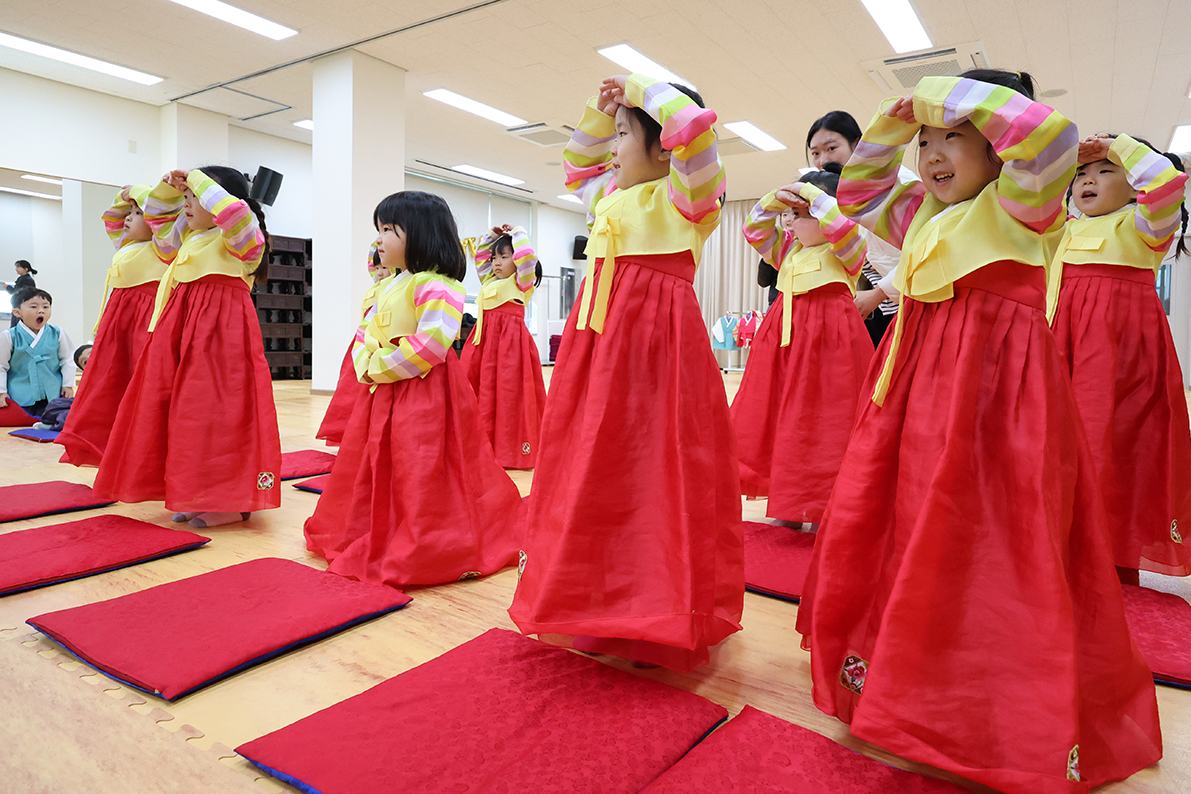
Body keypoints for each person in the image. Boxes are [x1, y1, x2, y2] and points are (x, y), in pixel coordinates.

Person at [796, 70, 1161, 793]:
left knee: (987, 531)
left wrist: (946, 96)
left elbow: (1050, 139)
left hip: (995, 396)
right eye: (925, 141)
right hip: (917, 387)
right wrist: (896, 118)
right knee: (906, 516)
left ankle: (982, 700)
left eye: (954, 136)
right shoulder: (921, 214)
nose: (933, 153)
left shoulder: (1022, 203)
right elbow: (858, 191)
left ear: (996, 145)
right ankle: (904, 681)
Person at [508, 74, 744, 672]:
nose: (611, 147)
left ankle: (654, 608)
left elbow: (696, 135)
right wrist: (604, 110)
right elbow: (575, 166)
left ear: (663, 146)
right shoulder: (609, 197)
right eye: (612, 135)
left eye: (622, 135)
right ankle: (591, 597)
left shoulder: (688, 199)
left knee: (654, 466)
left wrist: (644, 89)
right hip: (597, 352)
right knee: (593, 462)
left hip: (653, 354)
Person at [304, 191, 523, 587]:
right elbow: (365, 331)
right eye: (379, 229)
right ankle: (382, 523)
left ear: (421, 234)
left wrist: (380, 367)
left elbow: (434, 342)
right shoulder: (388, 284)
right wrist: (365, 364)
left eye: (389, 229)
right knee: (380, 457)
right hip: (384, 391)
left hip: (425, 393)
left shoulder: (438, 285)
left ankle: (426, 531)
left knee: (420, 459)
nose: (379, 239)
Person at [93, 167, 281, 530]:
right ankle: (197, 493)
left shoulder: (243, 238)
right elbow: (158, 217)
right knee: (187, 415)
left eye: (195, 197)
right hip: (184, 334)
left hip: (221, 340)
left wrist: (198, 179)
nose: (188, 203)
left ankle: (231, 500)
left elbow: (234, 212)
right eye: (188, 197)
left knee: (220, 414)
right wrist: (169, 188)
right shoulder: (186, 239)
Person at [1049, 132, 1191, 582]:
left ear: (1134, 186)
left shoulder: (1144, 227)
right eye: (1081, 174)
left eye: (1105, 170)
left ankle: (1112, 563)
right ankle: (1057, 555)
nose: (1088, 180)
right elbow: (1030, 193)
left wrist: (1119, 146)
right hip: (1062, 349)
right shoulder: (1062, 229)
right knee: (1060, 449)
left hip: (1119, 361)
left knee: (1113, 450)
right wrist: (1063, 159)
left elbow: (1166, 183)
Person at [732, 163, 873, 526]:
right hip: (785, 346)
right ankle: (789, 504)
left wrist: (812, 195)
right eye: (790, 215)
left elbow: (843, 227)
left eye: (802, 215)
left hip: (828, 349)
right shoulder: (788, 252)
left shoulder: (846, 250)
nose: (791, 223)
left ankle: (822, 506)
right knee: (784, 419)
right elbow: (753, 229)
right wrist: (775, 199)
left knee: (825, 422)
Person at [57, 184, 172, 466]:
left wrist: (143, 193)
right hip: (119, 324)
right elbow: (111, 217)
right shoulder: (126, 245)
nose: (128, 217)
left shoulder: (164, 247)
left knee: (138, 383)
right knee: (109, 383)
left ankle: (140, 449)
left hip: (144, 325)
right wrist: (125, 197)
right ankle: (108, 445)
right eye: (130, 212)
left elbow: (164, 215)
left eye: (138, 213)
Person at [808, 112, 902, 345]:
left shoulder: (893, 183)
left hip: (903, 302)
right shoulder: (839, 195)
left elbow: (921, 252)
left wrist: (877, 294)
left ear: (857, 144)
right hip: (877, 306)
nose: (822, 160)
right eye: (815, 153)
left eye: (831, 148)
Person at [460, 224, 546, 469]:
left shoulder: (521, 282)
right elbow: (480, 257)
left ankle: (511, 450)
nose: (496, 263)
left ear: (516, 261)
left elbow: (527, 258)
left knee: (509, 395)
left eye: (504, 257)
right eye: (495, 258)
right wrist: (491, 236)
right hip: (484, 345)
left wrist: (518, 232)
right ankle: (482, 447)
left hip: (510, 349)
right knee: (482, 392)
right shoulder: (489, 281)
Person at [316, 241, 389, 447]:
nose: (380, 272)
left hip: (379, 345)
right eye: (377, 267)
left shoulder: (394, 288)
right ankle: (350, 436)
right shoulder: (374, 288)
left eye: (385, 267)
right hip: (361, 344)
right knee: (350, 395)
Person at [0, 288, 74, 417]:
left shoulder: (58, 333)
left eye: (46, 307)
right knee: (22, 423)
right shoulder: (9, 336)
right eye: (33, 307)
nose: (41, 310)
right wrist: (1, 391)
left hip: (52, 393)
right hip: (19, 395)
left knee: (53, 421)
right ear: (17, 312)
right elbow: (1, 366)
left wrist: (68, 385)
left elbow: (68, 359)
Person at [3, 261, 37, 328]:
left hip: (21, 308)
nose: (16, 269)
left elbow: (16, 292)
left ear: (26, 269)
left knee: (17, 328)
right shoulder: (24, 279)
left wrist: (7, 287)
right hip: (19, 307)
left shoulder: (26, 279)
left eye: (18, 267)